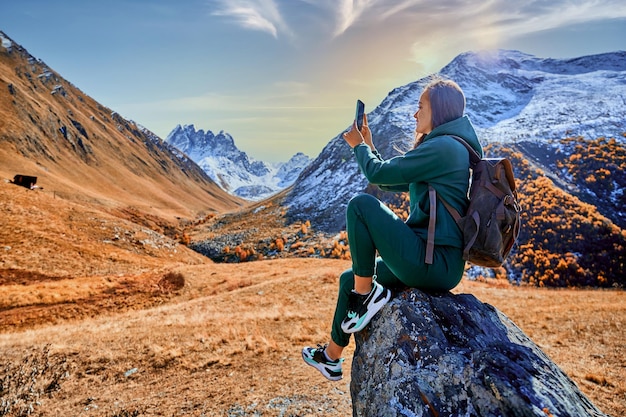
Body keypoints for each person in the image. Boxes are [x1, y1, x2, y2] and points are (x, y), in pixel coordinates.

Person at [301, 76, 483, 381]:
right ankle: (331, 357)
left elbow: (375, 173)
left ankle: (366, 295)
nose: (415, 114)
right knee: (351, 279)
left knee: (360, 206)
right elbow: (385, 178)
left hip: (433, 262)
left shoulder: (444, 148)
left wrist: (359, 146)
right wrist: (369, 145)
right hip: (433, 259)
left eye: (420, 106)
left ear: (438, 110)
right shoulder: (446, 147)